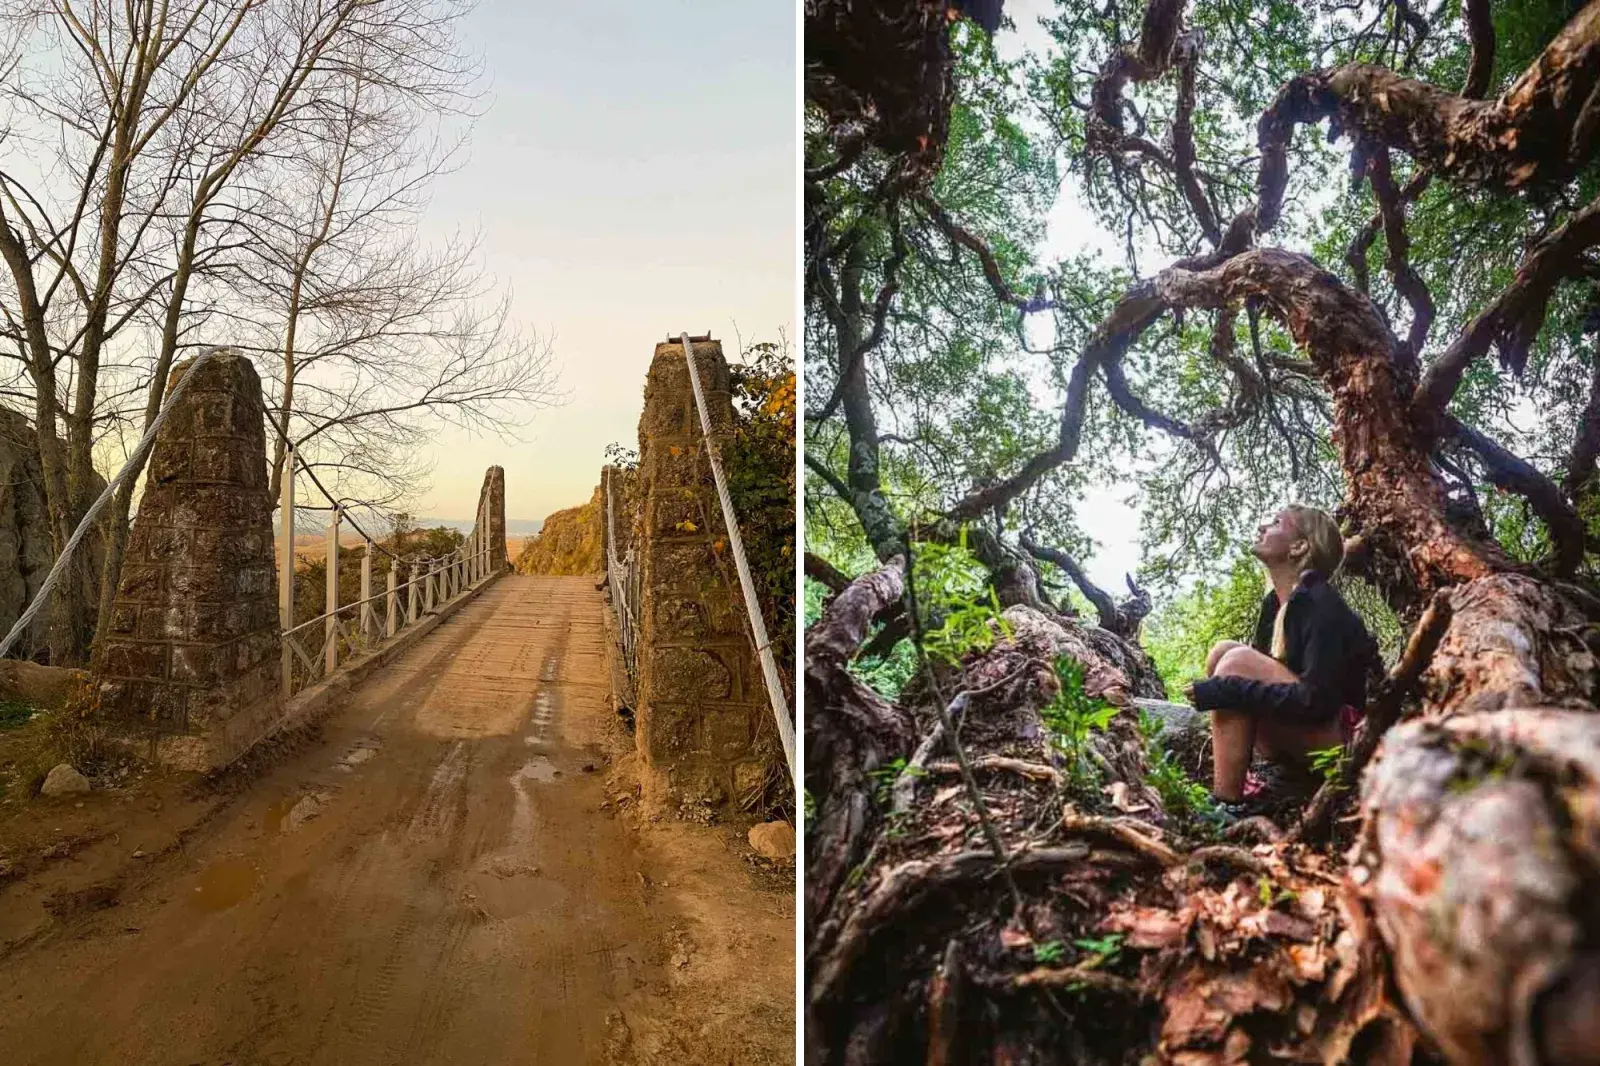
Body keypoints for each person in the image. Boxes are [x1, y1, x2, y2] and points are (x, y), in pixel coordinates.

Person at [1184, 505, 1377, 817]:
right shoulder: (1275, 604)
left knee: (1235, 663)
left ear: (1299, 546)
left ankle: (1227, 806)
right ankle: (1244, 778)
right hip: (1304, 733)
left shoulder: (1319, 602)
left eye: (1274, 522)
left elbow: (1318, 702)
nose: (1262, 525)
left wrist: (1227, 691)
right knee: (1223, 652)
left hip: (1345, 744)